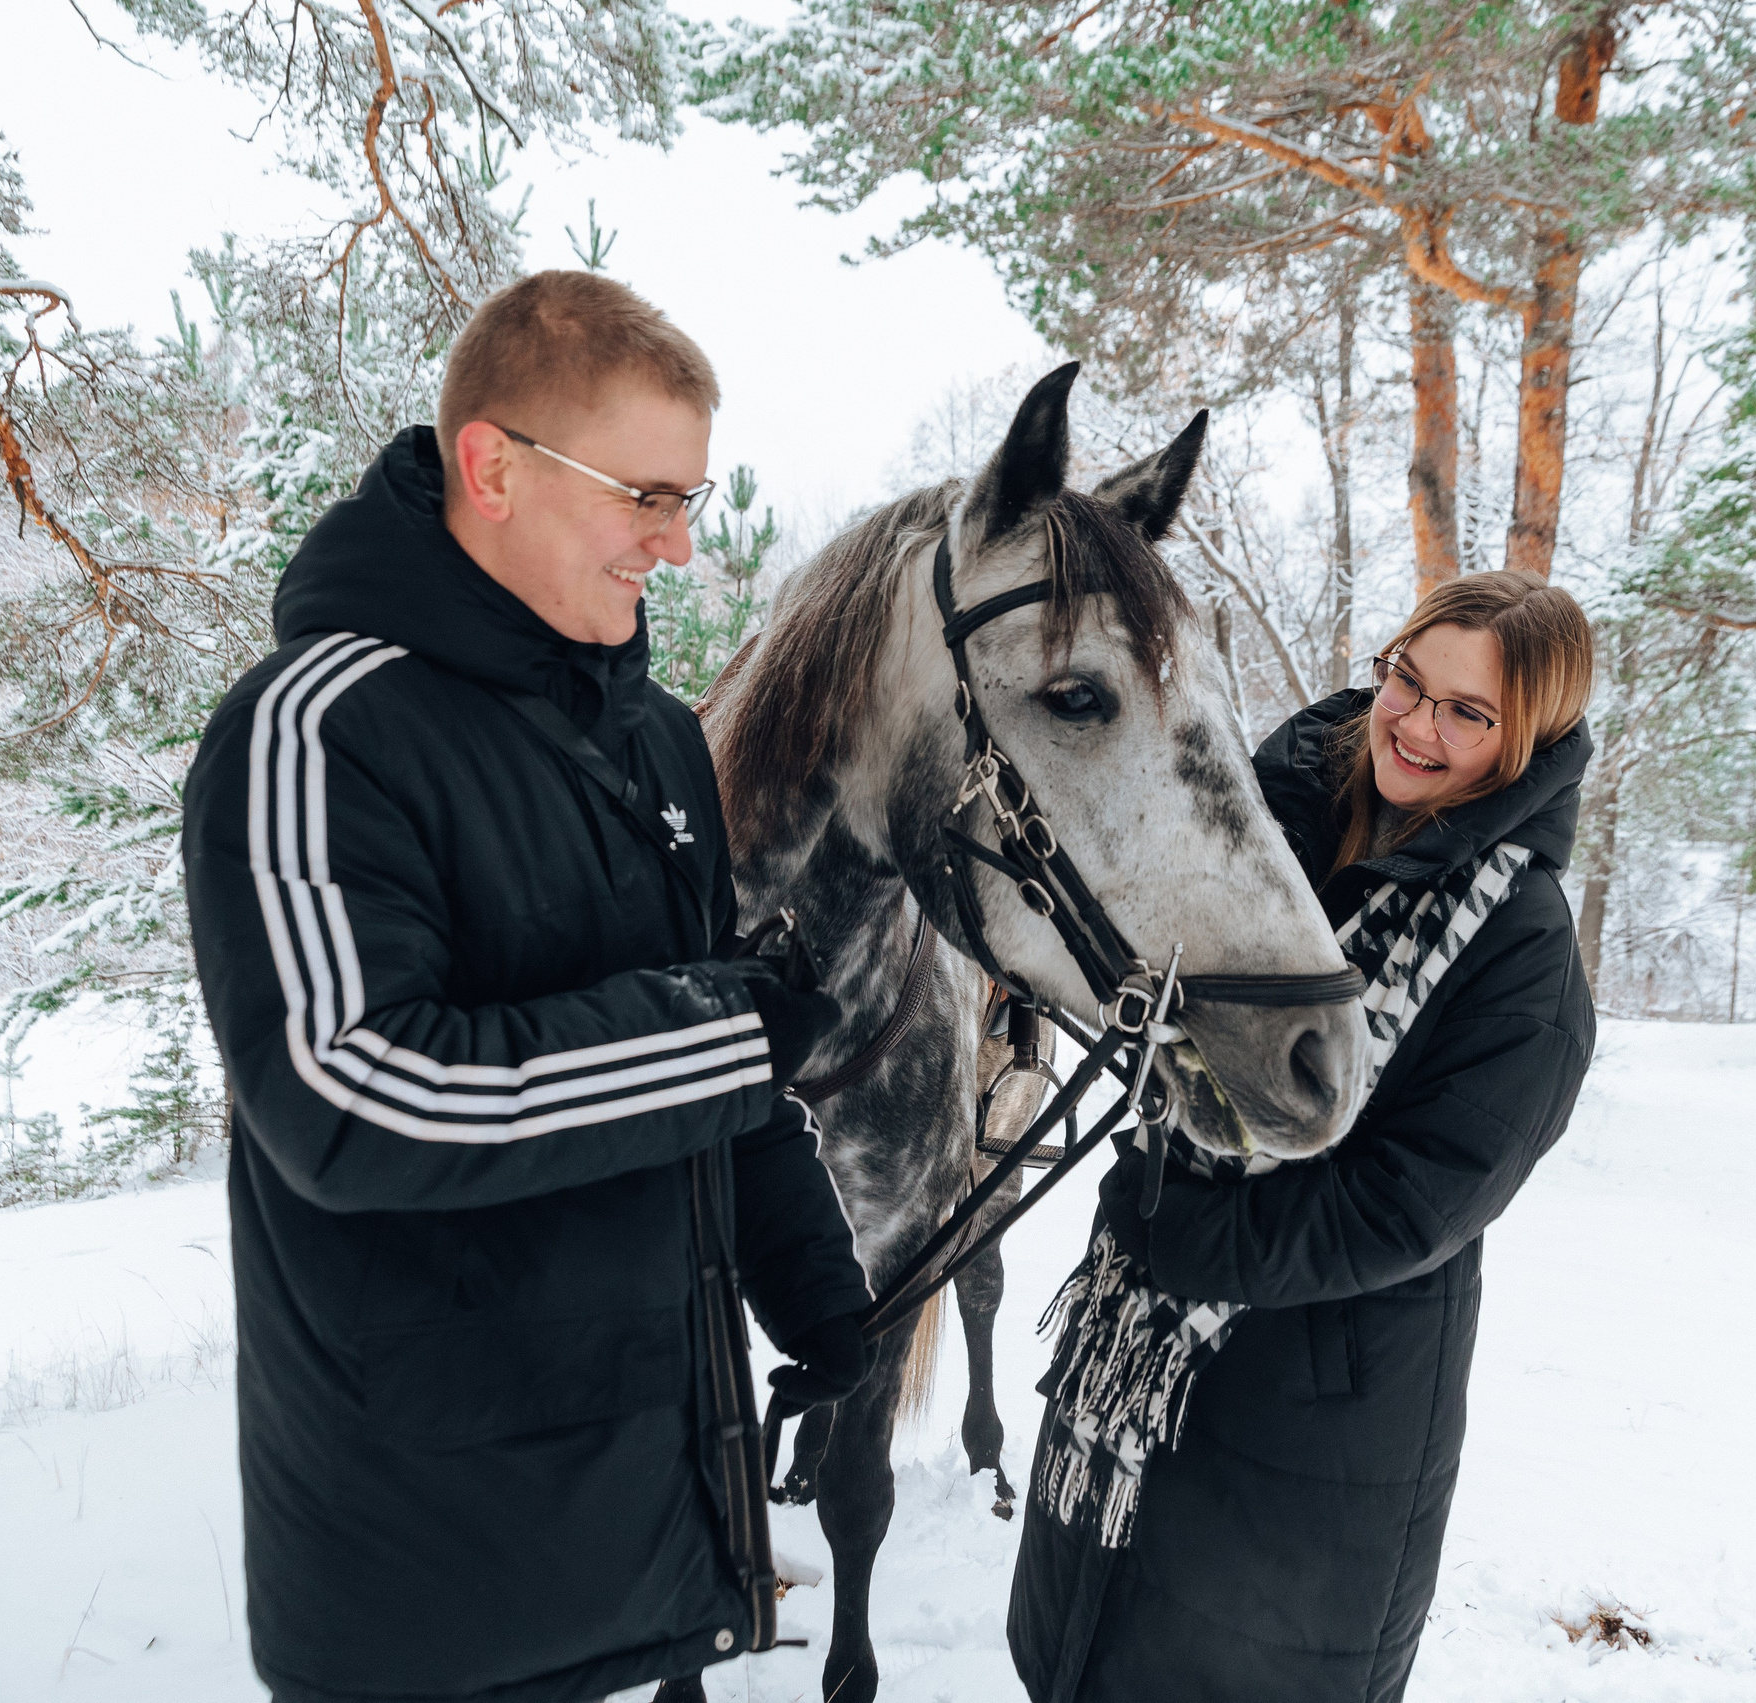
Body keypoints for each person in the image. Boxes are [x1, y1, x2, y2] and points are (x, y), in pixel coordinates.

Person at [182, 271, 874, 1703]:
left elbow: (714, 1079)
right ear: (492, 466)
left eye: (693, 496)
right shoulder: (315, 728)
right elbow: (352, 1093)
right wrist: (724, 1030)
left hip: (652, 1532)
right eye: (646, 496)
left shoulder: (660, 744)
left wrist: (821, 1304)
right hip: (439, 1582)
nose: (678, 546)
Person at [1007, 569, 1599, 1703]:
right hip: (1134, 1363)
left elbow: (1406, 1206)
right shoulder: (1253, 823)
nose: (1416, 725)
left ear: (1524, 739)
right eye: (1407, 680)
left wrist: (1186, 1231)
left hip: (1315, 1428)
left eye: (1467, 713)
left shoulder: (1521, 953)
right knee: (1075, 1659)